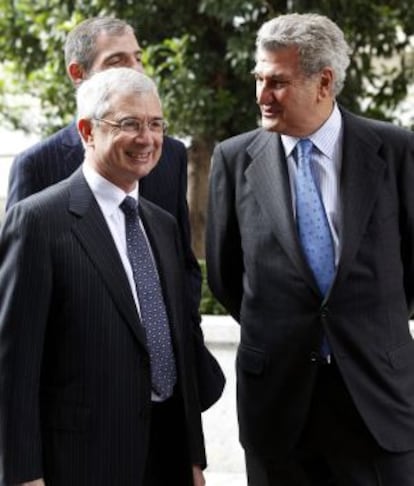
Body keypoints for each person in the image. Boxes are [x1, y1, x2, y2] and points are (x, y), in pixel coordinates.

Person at [206, 12, 414, 486]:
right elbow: (224, 273)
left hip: (377, 400)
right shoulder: (233, 159)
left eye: (276, 82)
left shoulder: (398, 151)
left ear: (324, 82)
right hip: (277, 407)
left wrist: (361, 326)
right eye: (259, 79)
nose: (261, 96)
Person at [0, 67, 206, 486]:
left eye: (155, 124)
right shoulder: (38, 221)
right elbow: (13, 367)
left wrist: (193, 459)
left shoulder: (161, 224)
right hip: (82, 461)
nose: (147, 139)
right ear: (87, 131)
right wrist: (23, 477)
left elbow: (176, 345)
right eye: (129, 124)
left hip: (166, 454)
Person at [6, 16, 224, 412]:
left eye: (138, 59)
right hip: (85, 402)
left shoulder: (169, 154)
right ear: (78, 74)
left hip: (167, 392)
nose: (135, 71)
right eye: (117, 60)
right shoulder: (37, 166)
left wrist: (178, 336)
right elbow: (22, 303)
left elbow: (181, 265)